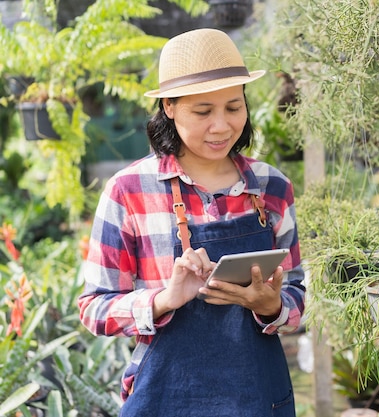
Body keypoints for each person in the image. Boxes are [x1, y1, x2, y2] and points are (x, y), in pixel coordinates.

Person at [78, 28, 306, 417]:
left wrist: (272, 306)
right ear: (169, 106)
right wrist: (165, 299)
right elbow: (93, 308)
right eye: (203, 112)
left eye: (233, 108)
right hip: (164, 399)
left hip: (257, 398)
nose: (221, 126)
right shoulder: (128, 190)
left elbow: (298, 291)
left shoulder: (272, 187)